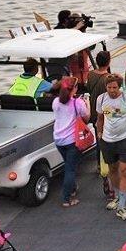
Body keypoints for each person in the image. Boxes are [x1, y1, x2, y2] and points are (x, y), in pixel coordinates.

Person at [96, 74, 126, 221]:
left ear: (119, 87)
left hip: (125, 141)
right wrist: (100, 133)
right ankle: (116, 196)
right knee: (112, 170)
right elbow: (100, 118)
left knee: (125, 171)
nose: (112, 90)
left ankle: (122, 206)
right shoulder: (101, 99)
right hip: (107, 141)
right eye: (109, 87)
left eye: (115, 87)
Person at [51, 76, 89, 207]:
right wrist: (87, 103)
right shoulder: (77, 103)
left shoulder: (56, 101)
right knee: (70, 169)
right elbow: (86, 118)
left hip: (58, 140)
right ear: (75, 89)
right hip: (72, 141)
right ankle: (66, 199)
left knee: (68, 164)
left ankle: (72, 188)